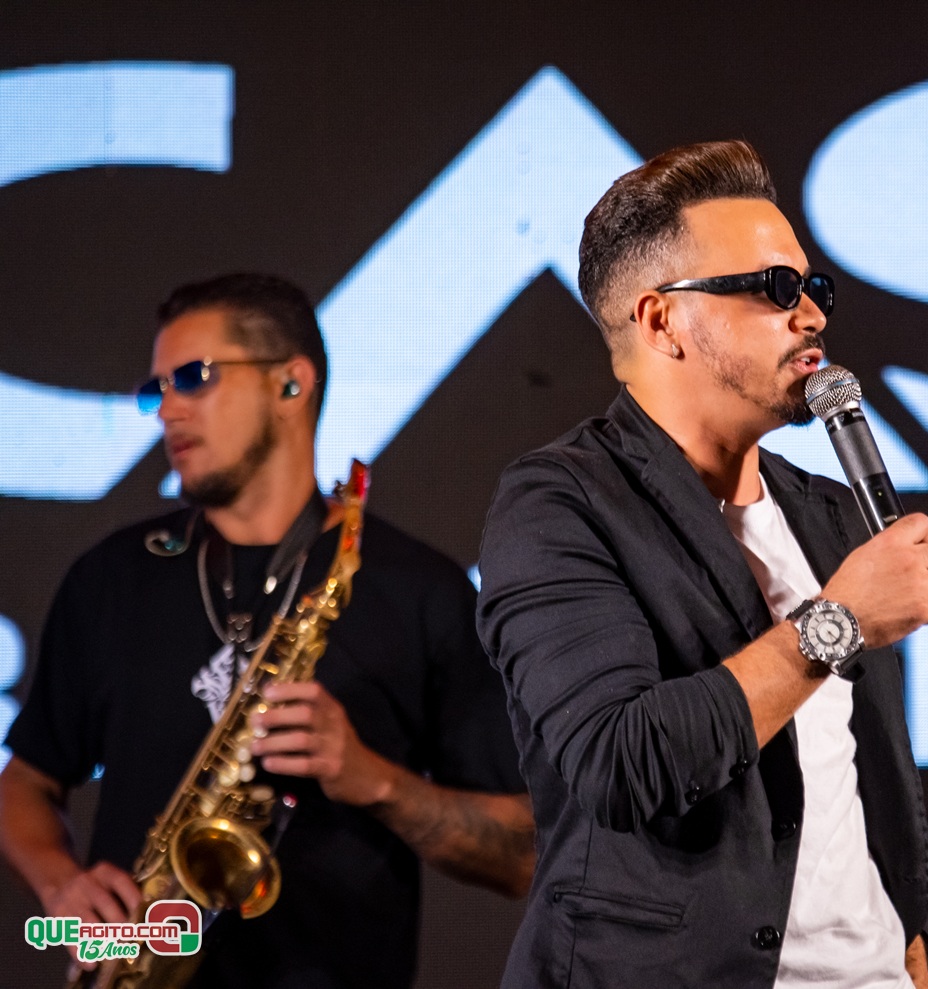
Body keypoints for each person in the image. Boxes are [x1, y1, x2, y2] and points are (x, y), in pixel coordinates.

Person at [477, 140, 928, 988]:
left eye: (813, 288)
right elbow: (621, 764)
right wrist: (835, 622)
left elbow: (864, 775)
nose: (811, 315)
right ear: (662, 321)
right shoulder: (560, 504)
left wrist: (909, 946)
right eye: (774, 288)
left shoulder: (826, 511)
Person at [0, 273, 535, 988]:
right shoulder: (112, 576)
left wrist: (376, 781)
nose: (167, 409)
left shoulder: (421, 590)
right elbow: (23, 783)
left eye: (194, 377)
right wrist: (61, 883)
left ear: (291, 383)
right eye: (156, 389)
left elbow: (522, 857)